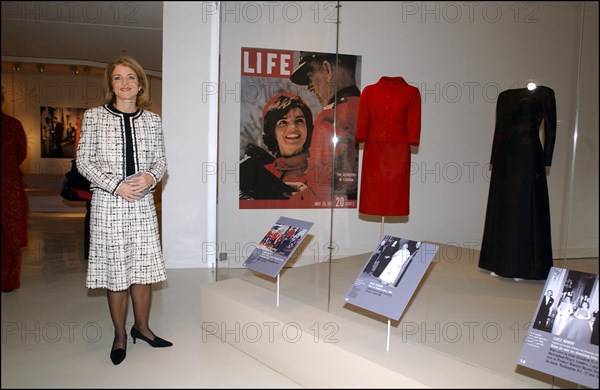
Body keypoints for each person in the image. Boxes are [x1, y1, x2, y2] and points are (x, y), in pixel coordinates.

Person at [76, 56, 172, 366]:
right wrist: (116, 185)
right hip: (109, 204)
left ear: (141, 84)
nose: (125, 82)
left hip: (143, 205)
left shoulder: (152, 120)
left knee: (143, 271)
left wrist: (151, 177)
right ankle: (120, 334)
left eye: (131, 77)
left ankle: (142, 329)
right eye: (118, 78)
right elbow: (83, 161)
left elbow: (160, 162)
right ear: (111, 85)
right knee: (117, 273)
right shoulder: (93, 117)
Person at [289, 51, 361, 206]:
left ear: (327, 70)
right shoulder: (368, 110)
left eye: (310, 76)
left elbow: (320, 198)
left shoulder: (329, 118)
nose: (309, 86)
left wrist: (291, 199)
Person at [240, 93, 314, 201]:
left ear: (308, 129)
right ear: (273, 132)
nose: (293, 127)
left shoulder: (322, 170)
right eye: (283, 122)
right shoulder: (260, 172)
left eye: (299, 121)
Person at [1, 85, 28, 292]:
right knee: (9, 236)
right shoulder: (13, 125)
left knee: (9, 236)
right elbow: (20, 154)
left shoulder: (13, 125)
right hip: (9, 186)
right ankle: (7, 281)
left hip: (9, 187)